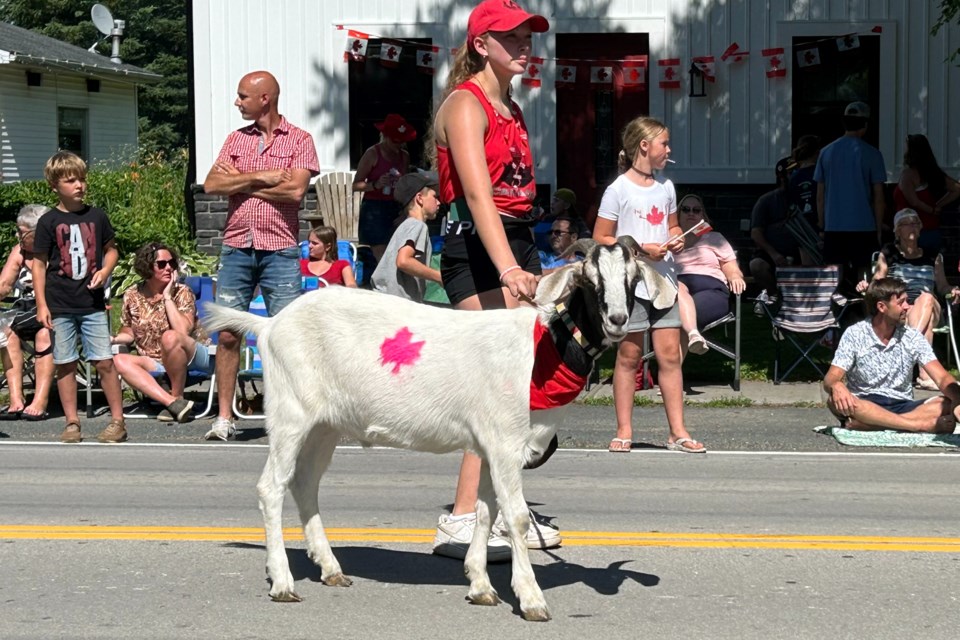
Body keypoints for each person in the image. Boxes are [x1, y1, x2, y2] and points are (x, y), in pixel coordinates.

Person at [429, 0, 558, 561]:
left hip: (514, 238)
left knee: (511, 394)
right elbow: (478, 195)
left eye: (529, 36)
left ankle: (486, 513)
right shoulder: (466, 103)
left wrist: (528, 258)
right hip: (478, 244)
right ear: (482, 44)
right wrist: (508, 267)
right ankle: (466, 518)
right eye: (512, 37)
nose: (525, 46)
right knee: (495, 392)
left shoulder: (511, 106)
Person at [203, 70, 319, 441]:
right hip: (237, 244)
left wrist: (242, 181)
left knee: (286, 335)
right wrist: (263, 176)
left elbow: (295, 193)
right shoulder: (236, 139)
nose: (237, 102)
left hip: (279, 248)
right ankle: (224, 418)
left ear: (265, 98)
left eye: (243, 96)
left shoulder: (300, 139)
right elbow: (211, 184)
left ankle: (292, 415)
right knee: (227, 335)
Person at [593, 116, 705, 455]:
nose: (668, 150)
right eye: (664, 144)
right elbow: (600, 236)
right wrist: (640, 249)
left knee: (670, 355)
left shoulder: (666, 187)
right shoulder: (618, 190)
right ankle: (624, 428)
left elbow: (672, 226)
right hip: (631, 284)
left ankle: (678, 431)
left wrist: (677, 239)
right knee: (629, 355)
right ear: (644, 146)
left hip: (664, 281)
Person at [32, 151, 126, 443]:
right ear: (54, 185)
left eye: (82, 179)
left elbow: (112, 249)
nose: (79, 185)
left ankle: (117, 420)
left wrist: (105, 270)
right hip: (59, 304)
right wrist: (42, 304)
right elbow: (38, 263)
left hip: (92, 304)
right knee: (65, 362)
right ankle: (72, 422)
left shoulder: (97, 216)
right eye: (71, 180)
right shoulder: (48, 222)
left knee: (104, 361)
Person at [823, 277, 960, 433]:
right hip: (865, 402)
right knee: (834, 400)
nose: (908, 307)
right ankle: (918, 425)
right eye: (901, 302)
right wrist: (837, 385)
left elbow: (942, 378)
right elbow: (831, 378)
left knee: (945, 403)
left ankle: (872, 425)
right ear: (882, 307)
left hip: (903, 405)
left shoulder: (913, 337)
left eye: (907, 301)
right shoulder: (855, 333)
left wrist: (957, 398)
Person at [855, 209, 959, 391]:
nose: (913, 226)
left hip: (930, 307)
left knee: (926, 298)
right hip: (901, 310)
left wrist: (952, 290)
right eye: (907, 224)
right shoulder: (888, 253)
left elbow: (942, 286)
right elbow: (878, 281)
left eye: (916, 223)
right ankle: (925, 377)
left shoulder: (933, 255)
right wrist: (867, 286)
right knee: (924, 325)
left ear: (920, 229)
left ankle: (904, 348)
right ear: (897, 231)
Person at [111, 243, 214, 423]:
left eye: (172, 263)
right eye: (162, 264)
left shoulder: (182, 292)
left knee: (170, 337)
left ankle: (178, 395)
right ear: (147, 267)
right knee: (119, 359)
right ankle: (173, 403)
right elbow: (129, 331)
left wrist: (167, 297)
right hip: (154, 362)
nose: (169, 268)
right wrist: (115, 338)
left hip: (194, 356)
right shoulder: (132, 295)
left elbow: (182, 331)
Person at [815, 101, 887, 291]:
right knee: (865, 274)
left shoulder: (826, 152)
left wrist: (822, 226)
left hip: (834, 225)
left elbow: (820, 196)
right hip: (864, 226)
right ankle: (866, 312)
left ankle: (834, 312)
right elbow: (878, 197)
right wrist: (878, 229)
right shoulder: (872, 154)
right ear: (864, 125)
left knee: (834, 274)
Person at [672, 194, 746, 357]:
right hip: (676, 289)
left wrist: (734, 275)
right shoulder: (668, 241)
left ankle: (668, 375)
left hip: (711, 288)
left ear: (702, 216)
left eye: (696, 210)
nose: (691, 213)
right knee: (678, 290)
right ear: (678, 214)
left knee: (679, 315)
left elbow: (730, 266)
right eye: (686, 209)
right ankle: (693, 334)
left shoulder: (714, 238)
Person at [0, 204, 55, 421]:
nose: (17, 235)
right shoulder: (19, 251)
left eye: (21, 232)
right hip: (25, 309)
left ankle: (40, 400)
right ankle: (16, 399)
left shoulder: (58, 251)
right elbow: (4, 285)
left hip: (56, 308)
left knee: (44, 333)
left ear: (37, 233)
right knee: (6, 331)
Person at [353, 113, 416, 266]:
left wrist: (405, 211)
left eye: (401, 142)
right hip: (375, 207)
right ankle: (385, 285)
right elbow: (355, 185)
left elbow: (406, 185)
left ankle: (389, 283)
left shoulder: (404, 156)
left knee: (397, 250)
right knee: (381, 255)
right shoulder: (373, 154)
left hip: (396, 205)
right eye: (394, 141)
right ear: (385, 136)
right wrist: (375, 185)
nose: (398, 145)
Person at [370, 172, 442, 302]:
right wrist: (438, 277)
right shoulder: (417, 226)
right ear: (419, 198)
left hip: (384, 299)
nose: (439, 202)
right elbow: (403, 261)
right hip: (397, 303)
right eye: (435, 197)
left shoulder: (406, 225)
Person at [892, 133, 960, 256]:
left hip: (911, 232)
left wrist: (932, 209)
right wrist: (937, 205)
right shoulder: (933, 172)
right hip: (933, 230)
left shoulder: (908, 175)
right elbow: (956, 189)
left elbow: (913, 201)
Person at [749, 156, 802, 293]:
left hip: (801, 252)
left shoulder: (805, 197)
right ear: (781, 176)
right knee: (757, 265)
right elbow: (756, 233)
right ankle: (775, 297)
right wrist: (774, 254)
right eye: (792, 173)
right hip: (773, 253)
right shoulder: (766, 201)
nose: (796, 175)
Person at [787, 134, 821, 232]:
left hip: (801, 226)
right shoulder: (820, 173)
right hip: (819, 223)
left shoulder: (793, 177)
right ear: (817, 152)